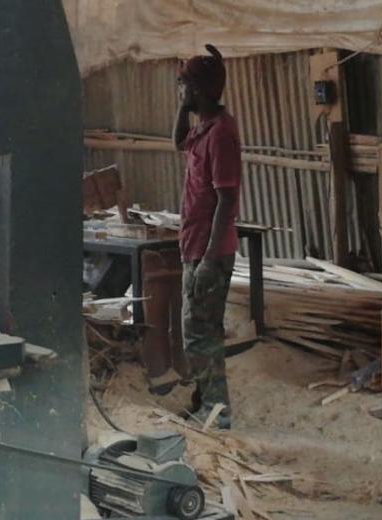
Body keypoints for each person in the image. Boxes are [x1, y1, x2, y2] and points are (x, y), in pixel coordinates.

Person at [173, 44, 243, 430]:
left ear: (197, 90)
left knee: (198, 334)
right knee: (202, 330)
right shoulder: (202, 128)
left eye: (183, 87)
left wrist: (208, 261)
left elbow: (227, 199)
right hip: (195, 245)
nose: (180, 93)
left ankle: (217, 413)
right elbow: (177, 141)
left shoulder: (220, 135)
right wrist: (185, 106)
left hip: (208, 251)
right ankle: (207, 403)